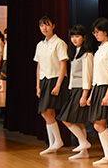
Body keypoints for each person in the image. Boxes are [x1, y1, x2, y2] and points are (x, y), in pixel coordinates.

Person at [57, 25, 94, 160]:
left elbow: (88, 76)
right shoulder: (74, 53)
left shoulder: (87, 55)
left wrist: (85, 95)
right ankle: (84, 151)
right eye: (72, 36)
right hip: (74, 89)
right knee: (78, 121)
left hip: (81, 90)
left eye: (77, 36)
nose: (74, 39)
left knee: (65, 118)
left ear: (84, 38)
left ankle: (84, 142)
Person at [34, 16, 68, 155]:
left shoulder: (59, 43)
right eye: (42, 25)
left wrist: (58, 84)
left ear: (53, 26)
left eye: (47, 25)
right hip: (44, 80)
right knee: (48, 112)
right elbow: (39, 66)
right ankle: (53, 143)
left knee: (45, 112)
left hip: (55, 79)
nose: (44, 28)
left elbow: (63, 64)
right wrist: (38, 85)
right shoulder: (40, 45)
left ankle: (57, 141)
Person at [88, 17, 108, 165]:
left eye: (98, 32)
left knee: (100, 123)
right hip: (98, 86)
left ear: (106, 32)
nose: (96, 35)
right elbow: (96, 74)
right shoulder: (100, 49)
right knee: (97, 123)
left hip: (106, 87)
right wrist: (91, 94)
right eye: (94, 32)